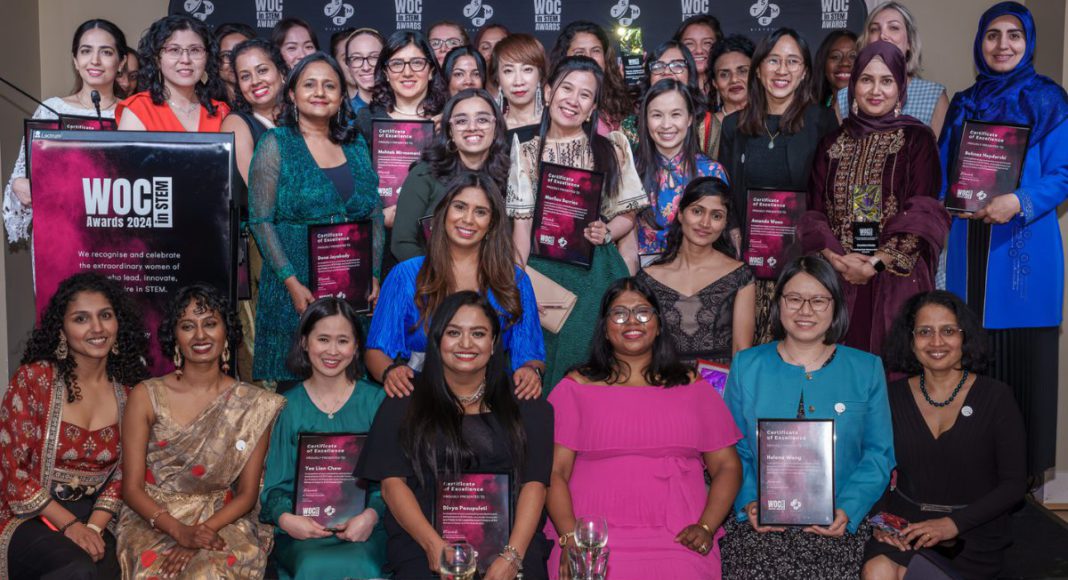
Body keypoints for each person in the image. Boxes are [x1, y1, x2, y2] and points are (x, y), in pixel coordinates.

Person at [939, 0, 1068, 481]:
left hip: (1021, 249)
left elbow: (1064, 173)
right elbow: (944, 172)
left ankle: (1021, 489)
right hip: (968, 244)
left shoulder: (1049, 99)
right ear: (980, 43)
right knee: (969, 359)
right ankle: (974, 484)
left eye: (1014, 34)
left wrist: (1019, 201)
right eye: (993, 34)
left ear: (1028, 41)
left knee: (1021, 370)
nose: (1003, 44)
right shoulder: (965, 102)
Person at [546, 276, 742, 578]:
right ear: (605, 329)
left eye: (642, 312)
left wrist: (707, 526)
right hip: (592, 541)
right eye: (619, 314)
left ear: (659, 323)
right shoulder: (574, 388)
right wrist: (570, 538)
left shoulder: (692, 387)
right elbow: (555, 473)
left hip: (680, 540)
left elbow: (728, 466)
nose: (631, 322)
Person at [357, 291, 554, 579]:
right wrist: (433, 546)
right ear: (437, 340)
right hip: (425, 540)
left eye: (478, 333)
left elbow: (535, 485)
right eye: (453, 332)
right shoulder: (403, 398)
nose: (465, 343)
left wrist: (512, 556)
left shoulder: (526, 402)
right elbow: (392, 485)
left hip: (512, 541)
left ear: (494, 342)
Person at [721, 256, 894, 579]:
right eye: (795, 299)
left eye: (818, 300)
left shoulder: (866, 368)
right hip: (761, 524)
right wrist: (749, 502)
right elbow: (733, 448)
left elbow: (878, 454)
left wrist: (847, 509)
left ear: (835, 306)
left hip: (837, 523)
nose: (805, 311)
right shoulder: (747, 365)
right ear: (778, 304)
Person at [117, 284, 284, 578]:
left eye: (210, 323)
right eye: (187, 326)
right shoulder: (147, 395)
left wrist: (199, 535)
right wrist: (179, 531)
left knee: (207, 572)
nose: (200, 335)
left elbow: (246, 494)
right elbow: (131, 489)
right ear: (175, 337)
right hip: (155, 518)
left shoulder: (254, 404)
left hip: (222, 519)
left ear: (226, 332)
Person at [862, 291, 1026, 580]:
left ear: (964, 338)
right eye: (925, 332)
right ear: (910, 341)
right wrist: (880, 521)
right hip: (905, 525)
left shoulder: (997, 397)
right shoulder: (891, 397)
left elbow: (1014, 485)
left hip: (972, 530)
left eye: (948, 331)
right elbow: (873, 465)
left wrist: (953, 524)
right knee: (876, 571)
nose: (936, 342)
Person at [799, 41, 949, 356]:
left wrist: (876, 263)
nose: (875, 90)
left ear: (900, 87)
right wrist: (839, 260)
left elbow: (923, 214)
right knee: (839, 375)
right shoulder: (832, 142)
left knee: (892, 377)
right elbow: (813, 214)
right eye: (866, 79)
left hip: (896, 280)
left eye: (886, 80)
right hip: (839, 279)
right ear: (853, 85)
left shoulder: (917, 140)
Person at [508, 56, 649, 387]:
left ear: (592, 108)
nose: (573, 100)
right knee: (541, 369)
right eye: (565, 88)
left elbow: (628, 213)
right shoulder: (525, 151)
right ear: (547, 93)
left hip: (595, 274)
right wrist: (520, 284)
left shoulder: (610, 148)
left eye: (585, 95)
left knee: (592, 369)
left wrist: (607, 230)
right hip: (544, 273)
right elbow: (522, 227)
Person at [0, 273, 148, 579]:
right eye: (81, 318)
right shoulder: (34, 381)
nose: (97, 328)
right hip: (28, 514)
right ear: (62, 330)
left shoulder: (131, 393)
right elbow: (13, 470)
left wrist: (93, 526)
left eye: (105, 316)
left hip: (98, 517)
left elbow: (126, 473)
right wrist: (70, 526)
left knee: (131, 568)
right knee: (75, 568)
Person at [249, 52, 384, 384]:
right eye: (309, 84)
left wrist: (374, 274)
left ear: (341, 97)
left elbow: (374, 215)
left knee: (349, 382)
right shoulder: (275, 143)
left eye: (330, 85)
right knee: (295, 384)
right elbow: (261, 220)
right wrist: (291, 281)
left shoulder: (354, 144)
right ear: (292, 94)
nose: (320, 92)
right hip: (296, 285)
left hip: (351, 286)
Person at [368, 172, 545, 399]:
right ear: (444, 213)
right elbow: (376, 351)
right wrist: (391, 372)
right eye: (460, 207)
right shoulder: (405, 275)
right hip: (421, 397)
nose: (468, 219)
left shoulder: (515, 281)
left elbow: (531, 354)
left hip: (490, 401)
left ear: (492, 223)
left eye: (480, 212)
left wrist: (531, 372)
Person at [717, 28, 838, 344]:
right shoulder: (734, 126)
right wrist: (733, 234)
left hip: (805, 264)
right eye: (773, 60)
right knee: (751, 353)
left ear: (805, 72)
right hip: (748, 264)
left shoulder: (822, 121)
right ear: (758, 69)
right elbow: (725, 191)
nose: (782, 70)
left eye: (792, 61)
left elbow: (829, 193)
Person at [260, 297, 388, 579]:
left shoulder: (377, 402)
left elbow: (390, 481)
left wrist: (371, 516)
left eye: (343, 341)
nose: (332, 351)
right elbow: (275, 486)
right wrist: (287, 519)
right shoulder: (286, 406)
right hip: (301, 534)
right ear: (305, 343)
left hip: (366, 529)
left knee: (363, 567)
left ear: (356, 348)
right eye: (323, 339)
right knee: (312, 567)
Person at [4, 19, 127, 244]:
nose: (95, 61)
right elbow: (19, 178)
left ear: (121, 62)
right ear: (75, 60)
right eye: (86, 51)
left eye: (106, 52)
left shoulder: (134, 112)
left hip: (118, 238)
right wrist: (18, 185)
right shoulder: (52, 110)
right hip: (60, 239)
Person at [219, 38, 287, 381]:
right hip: (262, 249)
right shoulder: (237, 123)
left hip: (306, 245)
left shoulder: (305, 118)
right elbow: (260, 192)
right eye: (245, 76)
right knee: (264, 345)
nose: (255, 81)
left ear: (282, 72)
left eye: (262, 70)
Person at [638, 177, 755, 365]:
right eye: (697, 211)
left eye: (716, 215)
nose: (705, 223)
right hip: (663, 385)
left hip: (718, 388)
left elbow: (741, 352)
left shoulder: (740, 275)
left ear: (725, 222)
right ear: (681, 214)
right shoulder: (648, 278)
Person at [391, 89, 510, 262]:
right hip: (430, 282)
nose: (472, 127)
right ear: (450, 131)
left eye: (482, 120)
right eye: (461, 121)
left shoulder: (507, 177)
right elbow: (402, 243)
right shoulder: (424, 174)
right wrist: (441, 280)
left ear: (496, 127)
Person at [353, 31, 445, 229]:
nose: (407, 72)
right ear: (385, 73)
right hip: (383, 234)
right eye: (397, 64)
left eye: (417, 63)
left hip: (438, 234)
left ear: (430, 70)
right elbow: (356, 187)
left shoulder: (449, 119)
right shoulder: (367, 120)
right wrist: (378, 215)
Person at [631, 81, 729, 258]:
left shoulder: (711, 172)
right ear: (645, 119)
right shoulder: (631, 170)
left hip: (698, 267)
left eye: (676, 114)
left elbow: (720, 233)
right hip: (643, 270)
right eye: (657, 115)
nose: (666, 124)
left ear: (690, 118)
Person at [835, 2, 949, 137]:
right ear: (866, 41)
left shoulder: (933, 96)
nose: (883, 35)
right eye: (874, 29)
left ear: (909, 43)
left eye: (894, 27)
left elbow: (939, 156)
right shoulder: (843, 98)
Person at [116, 14, 229, 132]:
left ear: (207, 57)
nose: (185, 60)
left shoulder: (220, 111)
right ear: (156, 59)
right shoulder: (139, 108)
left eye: (195, 50)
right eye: (174, 50)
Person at [620, 41, 719, 157]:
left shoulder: (708, 124)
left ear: (690, 74)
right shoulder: (630, 126)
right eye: (658, 66)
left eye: (677, 65)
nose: (667, 72)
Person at [549, 21, 632, 133]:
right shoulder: (555, 96)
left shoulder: (620, 94)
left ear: (605, 56)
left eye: (596, 51)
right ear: (564, 57)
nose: (589, 57)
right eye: (579, 52)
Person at [493, 33, 548, 143]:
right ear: (498, 78)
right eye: (508, 71)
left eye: (527, 69)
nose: (518, 81)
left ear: (540, 75)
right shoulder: (492, 128)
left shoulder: (557, 122)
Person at [708, 35, 755, 159]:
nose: (734, 80)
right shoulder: (703, 128)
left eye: (742, 71)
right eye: (724, 74)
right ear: (714, 82)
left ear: (757, 74)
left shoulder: (771, 122)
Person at [674, 14, 723, 98]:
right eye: (689, 43)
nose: (699, 51)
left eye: (707, 43)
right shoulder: (671, 90)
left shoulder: (728, 89)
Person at [214, 22, 256, 105]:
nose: (234, 62)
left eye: (241, 53)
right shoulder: (207, 104)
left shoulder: (266, 101)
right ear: (215, 59)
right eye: (226, 55)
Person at [344, 28, 384, 113]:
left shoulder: (403, 110)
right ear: (348, 66)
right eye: (357, 58)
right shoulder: (342, 114)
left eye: (374, 57)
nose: (366, 67)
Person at [815, 30, 858, 108]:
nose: (845, 63)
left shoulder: (872, 112)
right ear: (823, 64)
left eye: (853, 57)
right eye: (835, 57)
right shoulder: (811, 111)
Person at [331, 28, 360, 103]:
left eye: (358, 58)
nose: (354, 65)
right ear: (335, 63)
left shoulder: (390, 105)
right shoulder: (329, 106)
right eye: (347, 59)